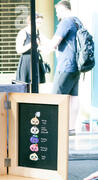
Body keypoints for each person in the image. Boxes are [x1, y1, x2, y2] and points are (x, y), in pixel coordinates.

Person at [41, 0, 80, 135]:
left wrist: (44, 48)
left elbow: (54, 43)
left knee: (56, 97)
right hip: (77, 66)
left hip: (66, 65)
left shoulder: (65, 22)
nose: (57, 14)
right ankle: (71, 128)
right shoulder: (77, 21)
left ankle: (53, 128)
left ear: (63, 9)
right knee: (73, 96)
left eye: (57, 11)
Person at [15, 13, 49, 84]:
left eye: (41, 23)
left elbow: (47, 43)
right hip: (26, 62)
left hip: (36, 61)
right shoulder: (23, 32)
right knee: (25, 85)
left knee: (37, 84)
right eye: (38, 22)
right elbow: (18, 50)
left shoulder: (38, 33)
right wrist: (31, 44)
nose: (39, 25)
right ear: (30, 22)